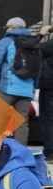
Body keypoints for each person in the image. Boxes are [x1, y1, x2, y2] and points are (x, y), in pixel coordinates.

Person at [0, 17, 40, 145]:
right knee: (22, 123)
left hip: (7, 88)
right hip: (27, 90)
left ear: (11, 28)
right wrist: (33, 88)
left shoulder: (5, 42)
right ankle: (20, 154)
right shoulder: (34, 43)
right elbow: (39, 69)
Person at [37, 24, 53, 163]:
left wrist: (41, 33)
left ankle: (50, 153)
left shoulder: (48, 46)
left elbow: (30, 46)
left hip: (49, 86)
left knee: (47, 119)